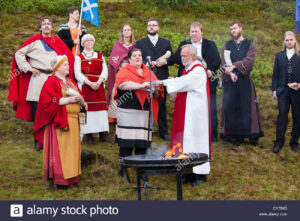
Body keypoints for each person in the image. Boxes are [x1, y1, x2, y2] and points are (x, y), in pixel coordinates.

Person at [8, 16, 75, 151]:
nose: (46, 26)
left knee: (54, 107)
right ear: (40, 27)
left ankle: (53, 140)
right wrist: (28, 68)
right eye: (43, 24)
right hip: (38, 80)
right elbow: (18, 54)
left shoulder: (57, 41)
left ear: (52, 27)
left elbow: (69, 58)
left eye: (48, 24)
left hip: (53, 79)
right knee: (38, 110)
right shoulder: (34, 41)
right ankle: (38, 141)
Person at [156, 44, 211, 186]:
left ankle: (201, 173)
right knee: (187, 140)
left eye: (184, 56)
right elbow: (184, 86)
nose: (181, 59)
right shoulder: (189, 69)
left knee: (198, 140)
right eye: (181, 56)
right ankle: (189, 170)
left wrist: (163, 82)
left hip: (196, 113)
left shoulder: (198, 70)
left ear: (192, 56)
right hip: (188, 112)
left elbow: (184, 82)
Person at [33, 55, 85, 190]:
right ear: (57, 67)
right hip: (60, 121)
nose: (68, 66)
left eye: (68, 64)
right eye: (65, 64)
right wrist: (67, 100)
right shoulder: (51, 81)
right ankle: (59, 180)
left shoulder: (71, 82)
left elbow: (80, 97)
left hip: (74, 121)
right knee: (61, 151)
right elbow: (48, 101)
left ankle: (72, 179)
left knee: (72, 150)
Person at [114, 48, 164, 182]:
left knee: (142, 143)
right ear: (129, 59)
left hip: (145, 112)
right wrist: (143, 85)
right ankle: (123, 169)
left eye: (139, 55)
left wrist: (157, 89)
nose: (137, 57)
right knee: (126, 143)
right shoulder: (124, 70)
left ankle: (141, 170)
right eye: (134, 56)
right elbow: (122, 85)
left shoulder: (149, 72)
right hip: (128, 111)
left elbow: (158, 91)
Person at [170, 21, 221, 142]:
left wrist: (209, 69)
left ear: (201, 32)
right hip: (188, 81)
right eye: (191, 31)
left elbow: (217, 60)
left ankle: (212, 133)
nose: (193, 33)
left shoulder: (210, 44)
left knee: (210, 106)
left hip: (206, 80)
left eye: (196, 31)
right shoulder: (184, 44)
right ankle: (189, 132)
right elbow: (176, 59)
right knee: (189, 106)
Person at [220, 21, 263, 146]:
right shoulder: (227, 45)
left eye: (235, 28)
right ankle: (238, 137)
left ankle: (252, 137)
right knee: (233, 108)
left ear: (241, 28)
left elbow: (249, 61)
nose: (233, 30)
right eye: (231, 29)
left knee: (247, 108)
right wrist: (230, 73)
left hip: (244, 81)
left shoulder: (249, 44)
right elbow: (223, 62)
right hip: (231, 81)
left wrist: (234, 65)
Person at [136, 18, 173, 141]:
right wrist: (146, 63)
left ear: (158, 27)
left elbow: (172, 58)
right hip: (146, 77)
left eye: (154, 25)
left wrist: (165, 61)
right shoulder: (140, 43)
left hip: (161, 77)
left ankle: (163, 132)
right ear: (147, 27)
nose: (151, 27)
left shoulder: (166, 42)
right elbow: (136, 58)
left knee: (162, 104)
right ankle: (145, 130)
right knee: (146, 103)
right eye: (149, 25)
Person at [74, 34, 112, 145]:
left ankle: (103, 135)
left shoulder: (100, 56)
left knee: (101, 110)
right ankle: (89, 135)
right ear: (83, 43)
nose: (89, 42)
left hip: (98, 86)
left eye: (91, 40)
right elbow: (77, 73)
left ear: (94, 42)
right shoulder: (79, 57)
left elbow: (105, 71)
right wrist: (89, 83)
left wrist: (99, 82)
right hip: (86, 86)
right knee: (87, 110)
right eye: (87, 40)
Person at [272, 31, 300, 153]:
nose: (289, 42)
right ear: (284, 41)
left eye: (291, 39)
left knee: (297, 117)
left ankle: (294, 142)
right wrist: (274, 90)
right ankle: (279, 142)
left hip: (297, 92)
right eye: (287, 40)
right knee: (282, 117)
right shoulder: (279, 55)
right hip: (282, 91)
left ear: (295, 41)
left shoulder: (299, 55)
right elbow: (275, 75)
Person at [107, 24, 136, 124]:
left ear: (131, 32)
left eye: (129, 30)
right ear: (122, 32)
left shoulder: (135, 45)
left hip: (131, 71)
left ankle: (129, 114)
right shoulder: (118, 44)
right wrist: (119, 64)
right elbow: (114, 58)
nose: (127, 32)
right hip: (119, 70)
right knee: (116, 90)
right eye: (125, 30)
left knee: (130, 92)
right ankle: (114, 116)